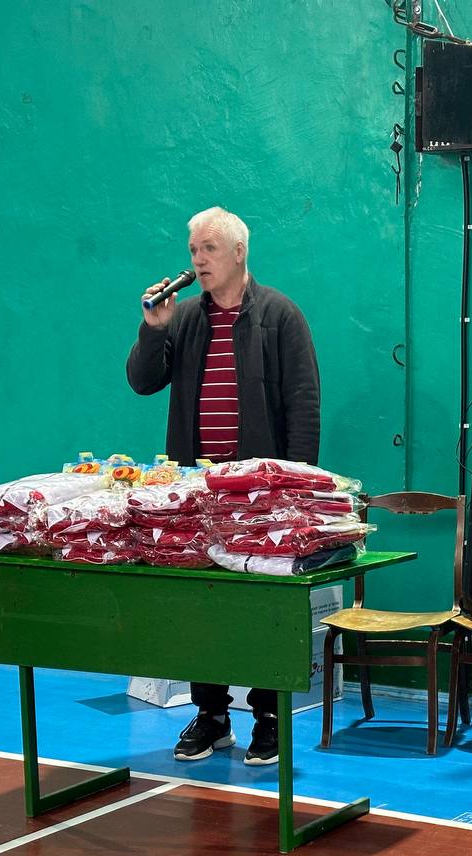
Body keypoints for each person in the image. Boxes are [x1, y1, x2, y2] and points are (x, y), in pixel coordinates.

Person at [127, 206, 321, 767]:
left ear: (239, 252)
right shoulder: (184, 317)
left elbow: (304, 403)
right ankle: (211, 714)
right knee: (201, 604)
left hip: (261, 493)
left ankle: (268, 717)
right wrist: (153, 330)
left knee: (261, 605)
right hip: (197, 489)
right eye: (193, 250)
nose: (197, 260)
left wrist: (294, 488)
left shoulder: (280, 315)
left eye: (208, 248)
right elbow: (142, 381)